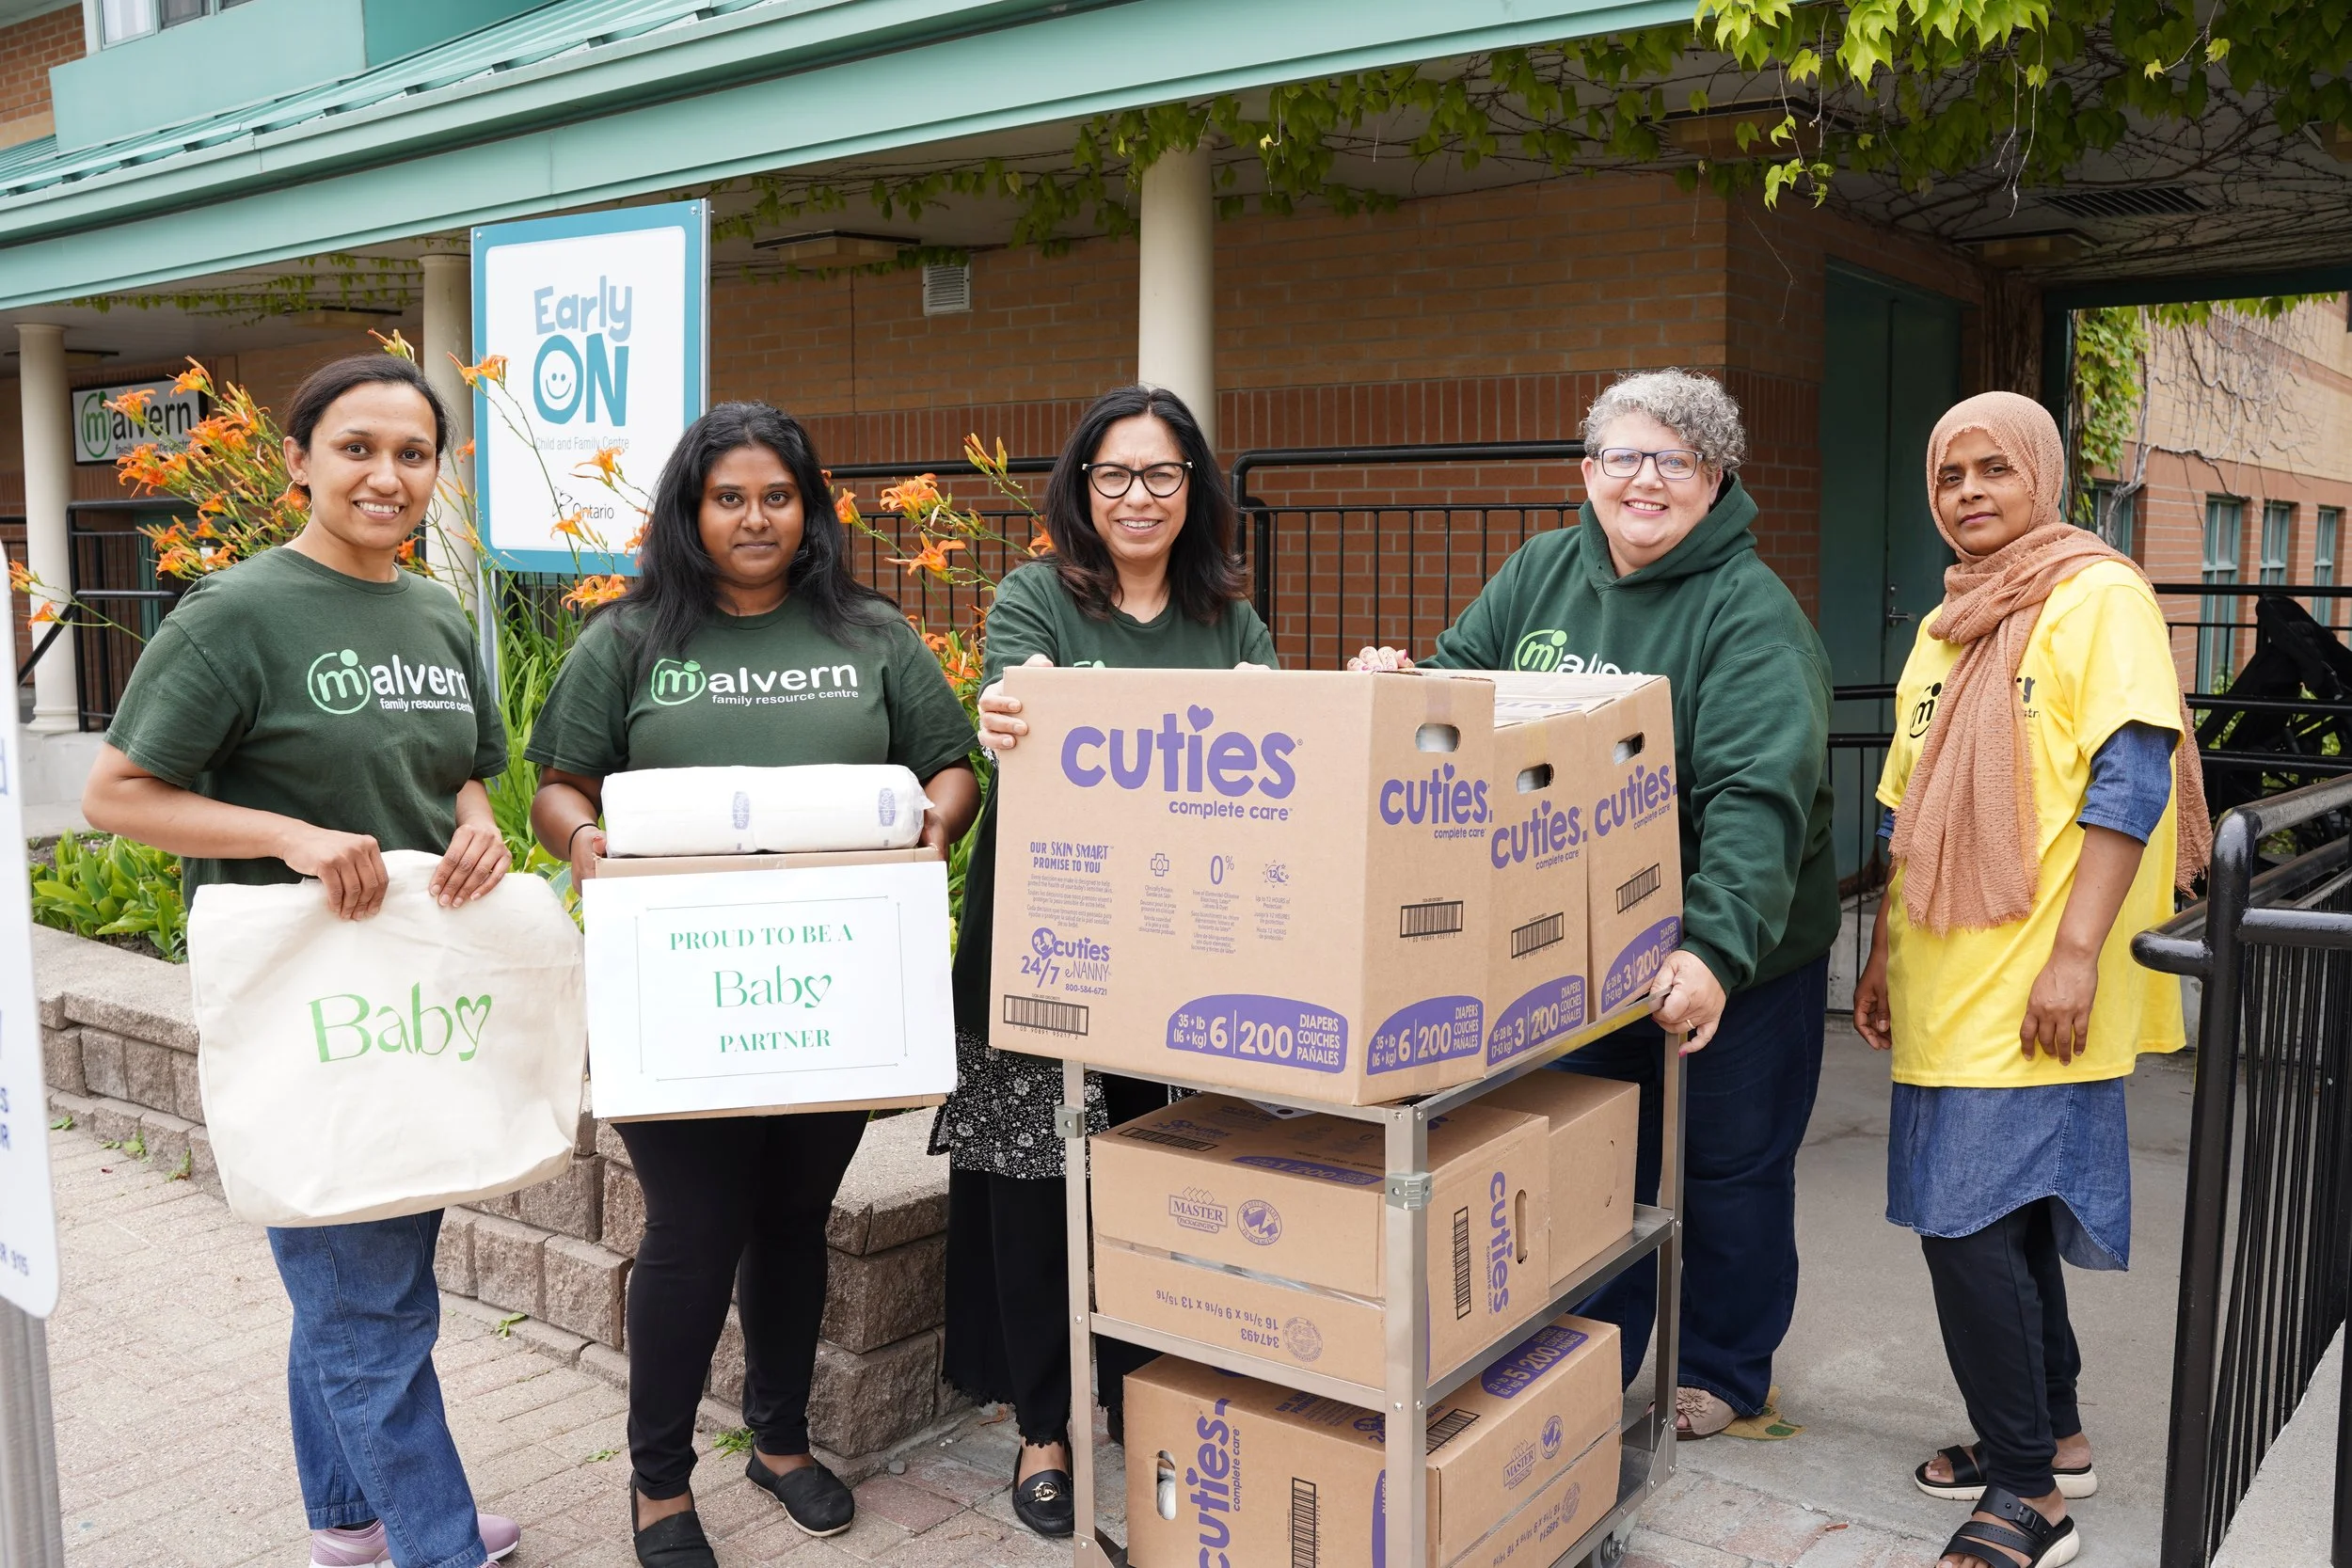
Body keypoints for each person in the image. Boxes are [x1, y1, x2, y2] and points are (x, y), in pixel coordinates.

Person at [83, 353, 521, 1568]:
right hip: (305, 1007)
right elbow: (117, 792)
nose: (387, 475)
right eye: (357, 447)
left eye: (413, 453)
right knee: (369, 1295)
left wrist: (477, 819)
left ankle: (348, 1515)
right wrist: (288, 835)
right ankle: (437, 1543)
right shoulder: (236, 612)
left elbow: (461, 769)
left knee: (356, 1279)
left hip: (413, 993)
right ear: (298, 461)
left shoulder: (434, 606)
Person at [527, 403, 981, 1567]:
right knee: (693, 1225)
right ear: (689, 510)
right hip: (680, 994)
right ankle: (657, 1484)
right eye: (728, 495)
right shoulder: (628, 639)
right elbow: (559, 787)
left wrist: (934, 822)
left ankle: (778, 1442)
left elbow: (948, 763)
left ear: (808, 507)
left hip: (827, 991)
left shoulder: (870, 632)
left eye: (776, 494)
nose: (754, 516)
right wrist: (588, 847)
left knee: (791, 1218)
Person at [1355, 368, 1838, 1439]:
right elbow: (1464, 686)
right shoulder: (1541, 571)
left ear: (1715, 479)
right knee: (1587, 1150)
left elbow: (1758, 796)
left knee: (1727, 1164)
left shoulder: (1749, 615)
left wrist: (1715, 946)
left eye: (1675, 459)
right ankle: (1594, 1345)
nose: (1645, 480)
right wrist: (1404, 690)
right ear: (1588, 471)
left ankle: (1722, 1362)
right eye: (1623, 455)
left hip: (1735, 949)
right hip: (1580, 946)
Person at [1853, 391, 2209, 1568]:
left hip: (2035, 986)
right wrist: (1881, 956)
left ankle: (2026, 1497)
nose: (1966, 490)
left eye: (1993, 467)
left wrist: (2072, 954)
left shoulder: (2095, 592)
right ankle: (2048, 1436)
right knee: (1988, 1233)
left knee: (1969, 1232)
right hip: (1946, 980)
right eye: (1947, 472)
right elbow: (1906, 807)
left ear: (2043, 476)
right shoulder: (1953, 619)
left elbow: (2132, 774)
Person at [927, 384, 1277, 1539]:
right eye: (1114, 475)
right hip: (1050, 935)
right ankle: (1043, 1426)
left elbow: (1270, 750)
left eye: (1163, 475)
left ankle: (1148, 1401)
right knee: (1035, 1191)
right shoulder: (1037, 596)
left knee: (1155, 1176)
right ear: (1080, 489)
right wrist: (1012, 718)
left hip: (1179, 947)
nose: (1139, 497)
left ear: (1195, 490)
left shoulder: (1229, 615)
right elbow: (1027, 716)